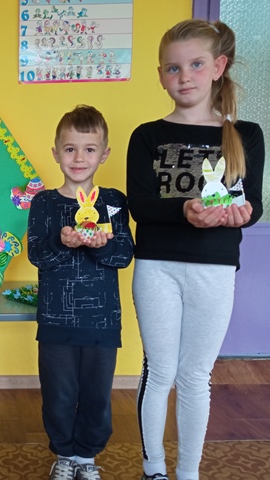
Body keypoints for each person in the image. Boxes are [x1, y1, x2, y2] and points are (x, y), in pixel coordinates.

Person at [126, 19, 265, 480]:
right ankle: (154, 469)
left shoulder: (246, 134)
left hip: (214, 268)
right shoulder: (146, 135)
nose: (184, 76)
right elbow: (140, 204)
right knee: (160, 370)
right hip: (157, 268)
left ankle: (188, 472)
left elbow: (252, 204)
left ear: (218, 67)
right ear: (161, 75)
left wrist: (241, 214)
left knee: (194, 376)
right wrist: (185, 210)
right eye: (172, 68)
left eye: (196, 65)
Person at [28, 105, 134, 480]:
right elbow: (37, 255)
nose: (79, 158)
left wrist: (102, 245)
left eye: (89, 149)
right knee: (58, 395)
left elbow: (124, 255)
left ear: (104, 154)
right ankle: (64, 454)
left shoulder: (114, 202)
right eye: (70, 149)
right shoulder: (44, 203)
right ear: (56, 153)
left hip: (102, 322)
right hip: (55, 321)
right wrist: (61, 241)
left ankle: (86, 458)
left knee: (96, 395)